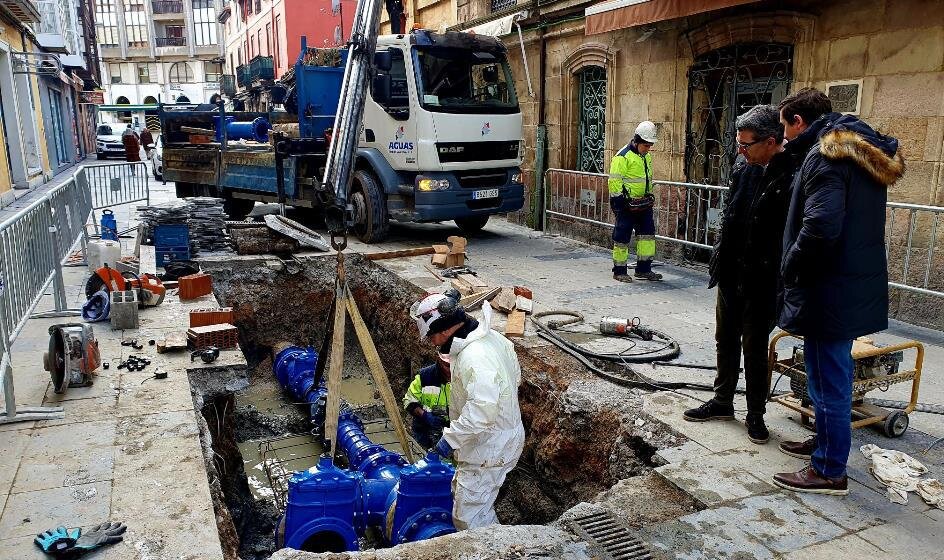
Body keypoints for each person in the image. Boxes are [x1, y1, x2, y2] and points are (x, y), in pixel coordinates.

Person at [771, 88, 904, 495]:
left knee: (829, 377)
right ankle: (822, 444)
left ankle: (829, 469)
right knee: (823, 370)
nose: (786, 136)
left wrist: (791, 265)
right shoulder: (859, 153)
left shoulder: (826, 156)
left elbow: (821, 226)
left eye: (784, 127)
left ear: (797, 121)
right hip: (845, 282)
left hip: (828, 286)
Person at [683, 105, 801, 445]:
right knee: (726, 337)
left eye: (746, 144)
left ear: (770, 141)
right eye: (738, 143)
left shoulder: (791, 172)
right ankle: (722, 400)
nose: (740, 150)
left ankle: (755, 413)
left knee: (754, 345)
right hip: (732, 267)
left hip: (763, 275)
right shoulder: (743, 164)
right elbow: (733, 212)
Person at [410, 289, 525, 529]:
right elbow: (515, 378)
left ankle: (498, 551)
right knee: (469, 499)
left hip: (490, 446)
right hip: (492, 437)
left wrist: (449, 439)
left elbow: (482, 411)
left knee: (469, 519)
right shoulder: (492, 338)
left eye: (431, 336)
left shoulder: (475, 357)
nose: (431, 342)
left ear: (444, 331)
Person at [608, 121, 662, 282]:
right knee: (622, 238)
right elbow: (614, 182)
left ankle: (644, 269)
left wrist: (648, 196)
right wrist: (619, 203)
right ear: (637, 141)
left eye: (650, 146)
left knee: (647, 236)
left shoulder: (646, 156)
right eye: (646, 145)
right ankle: (619, 271)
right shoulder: (622, 157)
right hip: (626, 205)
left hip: (643, 204)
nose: (648, 149)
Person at [403, 353, 451, 449]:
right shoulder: (425, 376)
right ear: (439, 360)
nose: (451, 370)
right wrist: (425, 415)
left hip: (453, 435)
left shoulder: (466, 377)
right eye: (448, 365)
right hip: (424, 433)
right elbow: (409, 401)